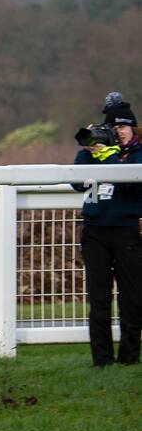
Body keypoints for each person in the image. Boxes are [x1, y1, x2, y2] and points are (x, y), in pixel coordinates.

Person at [70, 93, 142, 367]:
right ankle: (101, 361)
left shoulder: (138, 154)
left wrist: (112, 160)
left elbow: (132, 184)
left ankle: (129, 359)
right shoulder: (93, 153)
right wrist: (89, 150)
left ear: (133, 128)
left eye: (123, 127)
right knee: (99, 300)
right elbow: (77, 183)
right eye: (114, 128)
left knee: (132, 300)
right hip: (95, 232)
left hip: (126, 232)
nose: (119, 132)